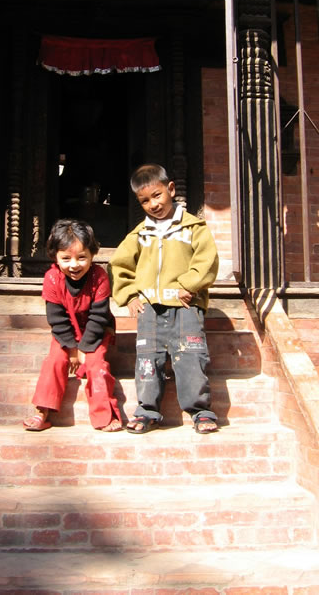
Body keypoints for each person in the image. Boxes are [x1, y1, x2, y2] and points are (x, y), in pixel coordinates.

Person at [109, 164, 219, 434]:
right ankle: (147, 411)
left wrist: (189, 284)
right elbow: (119, 265)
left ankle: (200, 412)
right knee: (148, 360)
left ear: (170, 189)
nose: (153, 204)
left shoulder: (193, 227)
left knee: (191, 357)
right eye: (145, 200)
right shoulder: (140, 234)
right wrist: (129, 295)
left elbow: (207, 259)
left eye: (157, 195)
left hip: (186, 306)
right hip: (150, 309)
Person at [23, 218, 123, 432]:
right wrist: (71, 349)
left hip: (96, 331)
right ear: (55, 257)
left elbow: (99, 317)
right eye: (66, 258)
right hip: (65, 332)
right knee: (54, 361)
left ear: (92, 255)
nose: (74, 265)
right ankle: (42, 412)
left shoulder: (99, 277)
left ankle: (105, 416)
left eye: (82, 257)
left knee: (97, 366)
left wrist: (84, 349)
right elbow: (56, 319)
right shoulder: (52, 278)